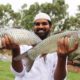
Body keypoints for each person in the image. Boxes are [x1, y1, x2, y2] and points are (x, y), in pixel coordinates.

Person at [1, 12, 78, 80]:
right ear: (33, 27)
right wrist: (15, 49)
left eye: (44, 23)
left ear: (51, 27)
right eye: (37, 24)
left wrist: (62, 57)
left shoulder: (60, 45)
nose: (40, 26)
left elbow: (59, 78)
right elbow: (18, 73)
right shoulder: (23, 43)